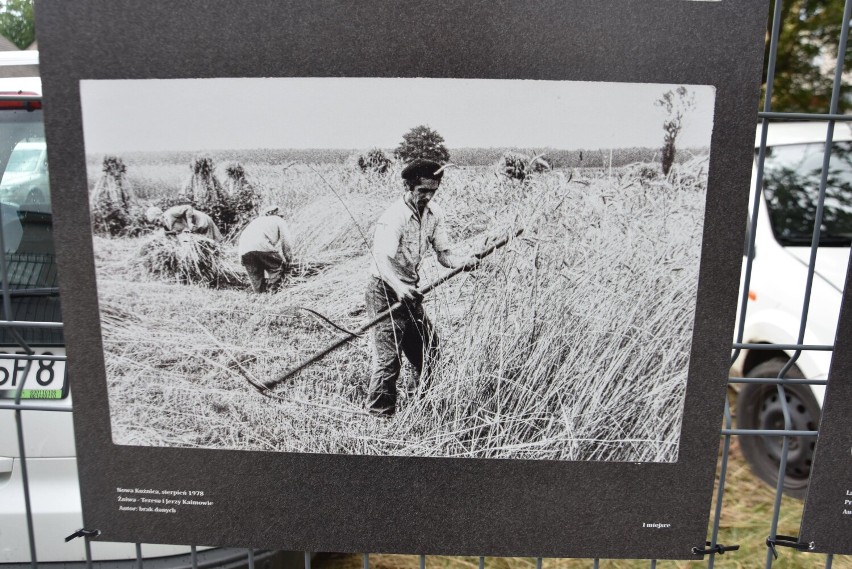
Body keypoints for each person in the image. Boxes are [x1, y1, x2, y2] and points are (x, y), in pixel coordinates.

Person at [366, 158, 479, 417]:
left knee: (429, 352)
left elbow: (444, 254)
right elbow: (380, 259)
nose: (427, 196)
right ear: (409, 187)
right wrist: (399, 287)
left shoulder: (434, 214)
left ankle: (422, 405)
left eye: (433, 191)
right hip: (384, 290)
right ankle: (379, 415)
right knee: (389, 359)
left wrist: (463, 262)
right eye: (422, 191)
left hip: (411, 292)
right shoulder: (394, 216)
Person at [238, 206, 294, 293]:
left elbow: (243, 237)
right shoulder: (278, 220)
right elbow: (286, 241)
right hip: (262, 246)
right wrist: (289, 259)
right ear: (277, 214)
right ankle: (273, 293)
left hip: (244, 249)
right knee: (276, 267)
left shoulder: (257, 221)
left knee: (255, 276)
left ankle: (260, 296)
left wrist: (241, 259)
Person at [145, 204, 222, 241]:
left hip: (201, 222)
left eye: (157, 220)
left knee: (213, 244)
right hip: (196, 229)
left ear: (161, 214)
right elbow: (178, 232)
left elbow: (188, 208)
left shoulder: (170, 213)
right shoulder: (166, 226)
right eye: (156, 223)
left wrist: (190, 222)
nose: (158, 224)